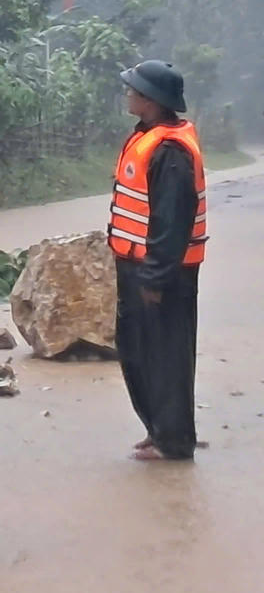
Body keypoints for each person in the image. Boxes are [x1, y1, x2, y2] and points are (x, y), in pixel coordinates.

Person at [109, 60, 207, 461]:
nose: (128, 94)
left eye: (133, 90)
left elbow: (172, 221)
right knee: (139, 353)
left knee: (166, 357)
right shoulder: (148, 137)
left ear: (150, 100)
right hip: (137, 267)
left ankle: (174, 440)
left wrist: (154, 278)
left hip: (161, 273)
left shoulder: (170, 151)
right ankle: (159, 428)